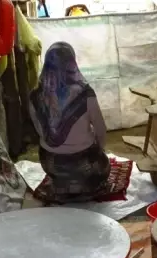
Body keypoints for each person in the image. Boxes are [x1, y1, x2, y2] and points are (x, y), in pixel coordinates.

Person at [29, 42, 110, 204]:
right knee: (103, 166)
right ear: (72, 63)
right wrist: (97, 149)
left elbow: (40, 132)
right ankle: (83, 186)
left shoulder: (35, 96)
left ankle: (61, 185)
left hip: (50, 164)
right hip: (84, 165)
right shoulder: (86, 94)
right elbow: (101, 131)